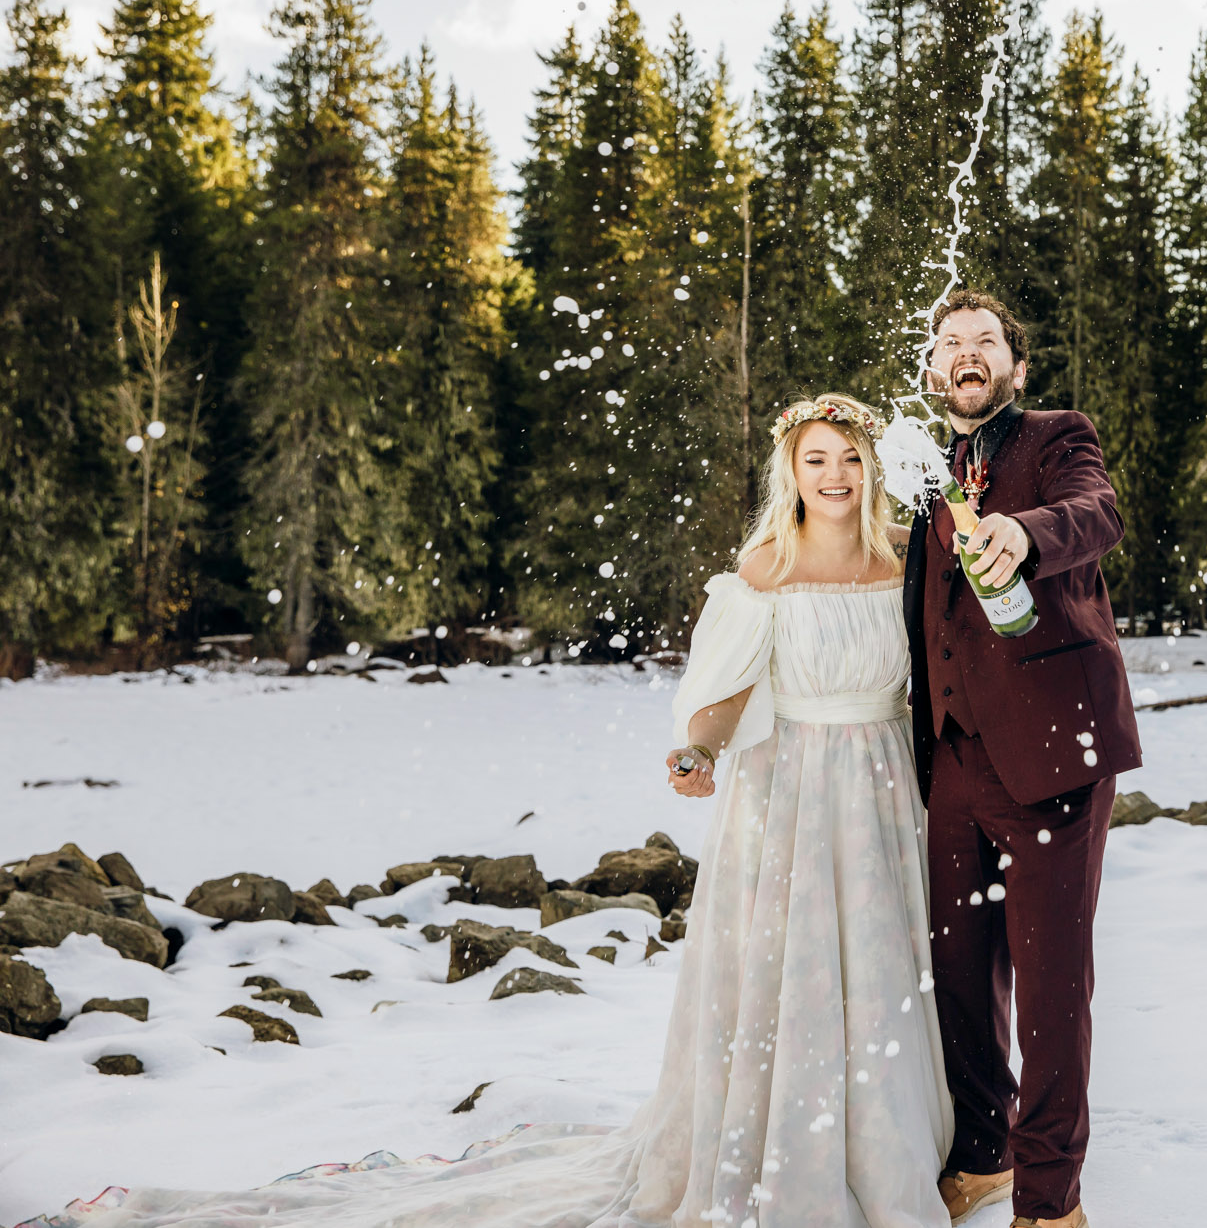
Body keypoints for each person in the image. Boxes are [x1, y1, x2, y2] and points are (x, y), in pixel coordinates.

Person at [35, 393, 951, 1228]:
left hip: (880, 785)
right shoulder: (766, 564)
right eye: (816, 458)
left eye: (850, 458)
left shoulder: (906, 556)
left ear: (875, 467)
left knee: (874, 969)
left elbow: (941, 667)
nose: (834, 475)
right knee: (789, 975)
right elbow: (725, 685)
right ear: (789, 470)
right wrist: (699, 750)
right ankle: (783, 1159)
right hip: (787, 791)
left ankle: (879, 1153)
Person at [904, 292, 1142, 1228]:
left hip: (1055, 751)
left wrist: (1025, 532)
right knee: (957, 973)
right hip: (953, 760)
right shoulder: (922, 473)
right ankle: (983, 1151)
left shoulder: (1057, 439)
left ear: (1016, 365)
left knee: (1050, 984)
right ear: (932, 370)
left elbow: (1097, 513)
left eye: (985, 342)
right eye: (950, 343)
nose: (967, 354)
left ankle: (1050, 1201)